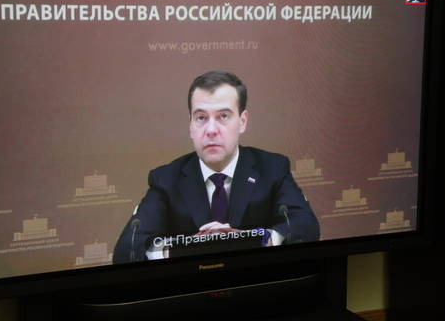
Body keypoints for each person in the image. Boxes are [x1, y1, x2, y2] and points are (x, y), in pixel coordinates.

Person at [113, 70, 319, 263]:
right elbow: (126, 251)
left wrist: (248, 240)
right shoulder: (166, 179)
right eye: (201, 118)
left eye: (223, 116)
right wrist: (188, 247)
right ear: (190, 125)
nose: (211, 130)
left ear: (242, 121)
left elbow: (306, 228)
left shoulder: (272, 169)